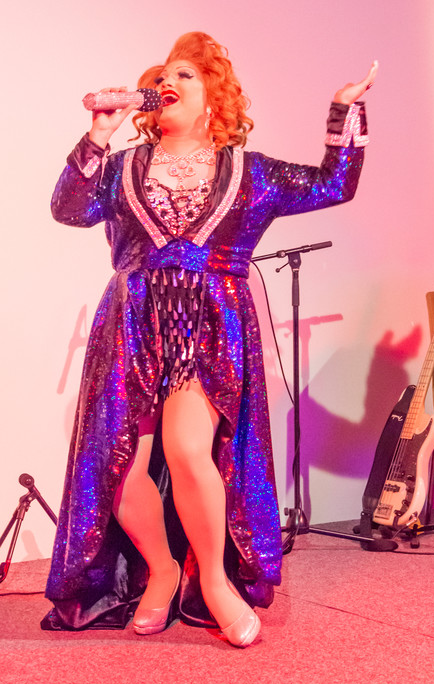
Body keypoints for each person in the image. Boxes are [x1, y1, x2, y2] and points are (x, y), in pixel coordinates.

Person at [41, 32, 377, 646]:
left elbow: (335, 184)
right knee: (118, 464)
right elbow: (68, 209)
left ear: (213, 98)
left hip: (209, 326)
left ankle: (214, 580)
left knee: (189, 447)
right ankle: (162, 571)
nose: (168, 82)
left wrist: (343, 110)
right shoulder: (120, 167)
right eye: (162, 76)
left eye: (185, 74)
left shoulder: (251, 171)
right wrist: (98, 135)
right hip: (131, 323)